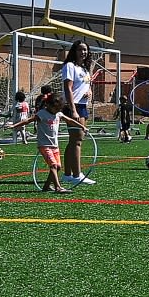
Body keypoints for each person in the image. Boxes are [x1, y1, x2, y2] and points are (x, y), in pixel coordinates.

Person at [11, 90, 88, 193]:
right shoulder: (42, 113)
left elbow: (70, 121)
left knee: (58, 167)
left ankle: (46, 186)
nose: (56, 110)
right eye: (55, 108)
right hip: (44, 145)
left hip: (54, 145)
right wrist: (14, 125)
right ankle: (58, 187)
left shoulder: (59, 114)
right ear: (47, 105)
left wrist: (82, 127)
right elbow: (28, 120)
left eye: (58, 109)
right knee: (53, 166)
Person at [60, 39, 96, 186]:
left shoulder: (85, 69)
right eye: (80, 49)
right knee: (77, 140)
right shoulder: (69, 66)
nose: (83, 52)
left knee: (74, 140)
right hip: (73, 106)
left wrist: (90, 91)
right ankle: (76, 174)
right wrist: (73, 110)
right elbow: (68, 88)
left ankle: (67, 174)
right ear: (74, 51)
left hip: (82, 106)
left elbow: (85, 85)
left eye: (85, 50)